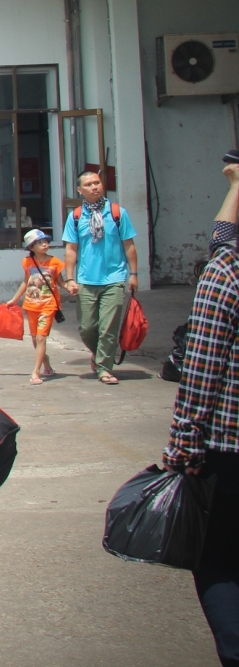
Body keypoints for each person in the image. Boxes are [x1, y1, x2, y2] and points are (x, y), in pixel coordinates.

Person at [167, 161, 239, 665]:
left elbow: (204, 368)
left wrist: (183, 444)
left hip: (229, 451)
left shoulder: (227, 271)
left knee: (219, 561)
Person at [61, 169, 140, 385]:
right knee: (87, 328)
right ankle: (98, 353)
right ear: (80, 190)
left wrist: (133, 274)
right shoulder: (76, 217)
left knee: (108, 327)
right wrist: (69, 278)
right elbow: (71, 249)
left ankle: (104, 368)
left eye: (97, 183)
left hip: (114, 278)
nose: (94, 187)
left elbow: (129, 245)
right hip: (86, 280)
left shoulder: (117, 213)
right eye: (88, 184)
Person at [8, 228, 64, 384]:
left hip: (49, 305)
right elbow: (26, 282)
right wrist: (14, 300)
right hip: (31, 305)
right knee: (34, 339)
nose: (45, 244)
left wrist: (71, 286)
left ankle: (36, 372)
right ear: (31, 247)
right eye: (40, 243)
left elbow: (60, 282)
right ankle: (46, 364)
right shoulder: (27, 262)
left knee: (41, 338)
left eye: (46, 241)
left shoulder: (55, 262)